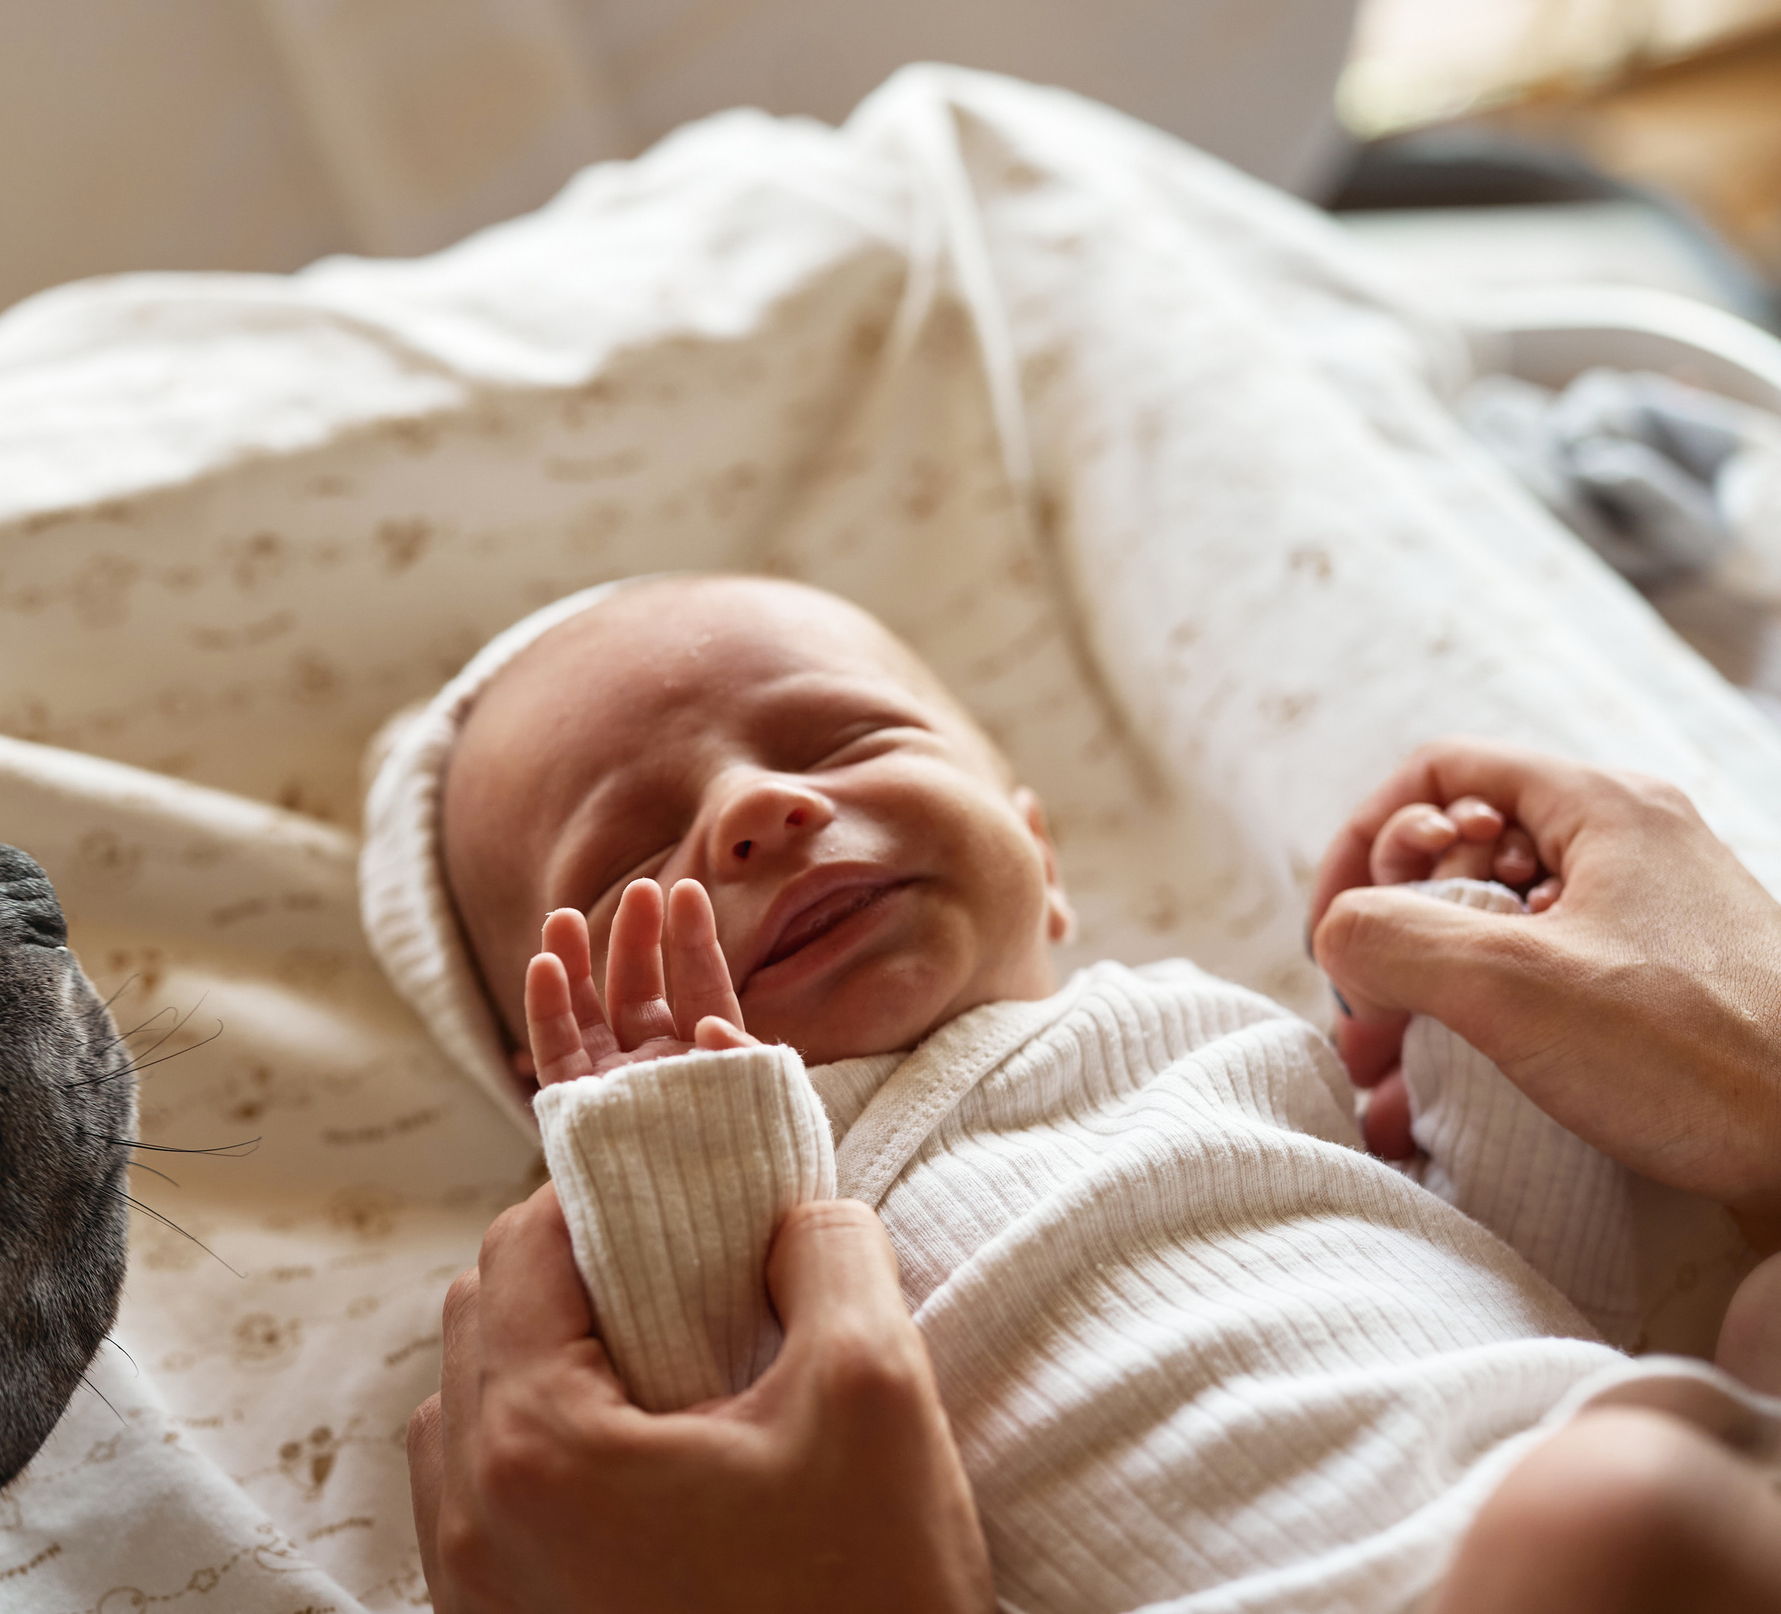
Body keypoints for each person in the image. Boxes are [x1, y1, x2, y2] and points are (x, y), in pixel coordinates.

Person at [366, 578, 1781, 1613]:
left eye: (849, 743)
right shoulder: (763, 1186)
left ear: (1039, 858)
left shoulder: (1203, 1024)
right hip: (1357, 1576)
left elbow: (1528, 1268)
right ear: (554, 1080)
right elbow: (706, 1397)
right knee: (1636, 1519)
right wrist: (649, 1136)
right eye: (624, 867)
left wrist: (1481, 1007)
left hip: (1561, 1433)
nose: (757, 810)